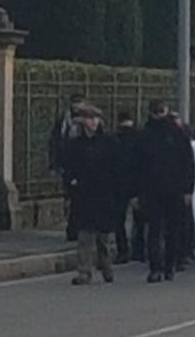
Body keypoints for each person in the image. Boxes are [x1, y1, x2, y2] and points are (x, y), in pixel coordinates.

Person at [61, 105, 122, 285]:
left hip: (104, 194)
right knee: (85, 235)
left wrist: (116, 189)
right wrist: (71, 182)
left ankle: (106, 263)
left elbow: (118, 167)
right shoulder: (76, 145)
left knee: (104, 236)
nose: (92, 122)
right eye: (89, 118)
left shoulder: (109, 142)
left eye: (95, 119)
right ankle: (84, 271)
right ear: (83, 122)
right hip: (84, 195)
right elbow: (68, 167)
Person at [136, 100, 195, 283]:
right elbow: (136, 166)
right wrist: (137, 192)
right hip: (151, 191)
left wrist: (188, 189)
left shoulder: (177, 134)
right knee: (154, 230)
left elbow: (188, 163)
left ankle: (170, 265)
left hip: (174, 189)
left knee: (172, 230)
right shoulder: (145, 135)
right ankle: (155, 268)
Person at [50, 93, 87, 241]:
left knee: (81, 198)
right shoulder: (63, 120)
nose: (77, 106)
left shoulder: (89, 120)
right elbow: (55, 141)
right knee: (72, 197)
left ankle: (78, 228)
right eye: (75, 103)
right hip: (68, 164)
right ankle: (73, 229)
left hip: (85, 165)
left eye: (80, 103)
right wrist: (55, 163)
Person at [113, 112, 140, 264]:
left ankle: (123, 250)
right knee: (140, 220)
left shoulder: (115, 139)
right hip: (137, 185)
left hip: (119, 185)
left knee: (119, 220)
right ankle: (138, 250)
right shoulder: (140, 138)